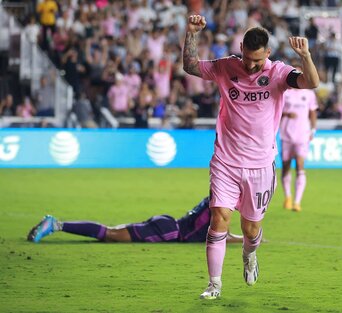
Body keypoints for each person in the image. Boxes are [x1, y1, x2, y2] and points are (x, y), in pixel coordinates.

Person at [183, 15, 319, 299]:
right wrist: (192, 34)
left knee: (250, 228)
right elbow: (190, 66)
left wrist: (305, 55)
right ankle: (214, 284)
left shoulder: (278, 73)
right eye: (247, 58)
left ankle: (249, 254)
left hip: (260, 166)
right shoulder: (226, 66)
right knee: (219, 218)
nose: (250, 65)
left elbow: (311, 82)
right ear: (241, 48)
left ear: (267, 54)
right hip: (225, 161)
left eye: (257, 60)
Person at [27, 197, 243, 244]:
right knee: (109, 234)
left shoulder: (215, 200)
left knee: (111, 233)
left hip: (167, 224)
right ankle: (55, 224)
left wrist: (245, 239)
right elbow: (215, 234)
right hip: (169, 231)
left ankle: (56, 224)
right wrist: (248, 240)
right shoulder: (219, 208)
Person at [279, 61, 318, 212]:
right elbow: (275, 109)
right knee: (286, 166)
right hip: (286, 133)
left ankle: (297, 201)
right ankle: (288, 197)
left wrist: (313, 130)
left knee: (300, 166)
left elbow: (313, 112)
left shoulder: (308, 93)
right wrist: (287, 114)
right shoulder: (285, 91)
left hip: (302, 134)